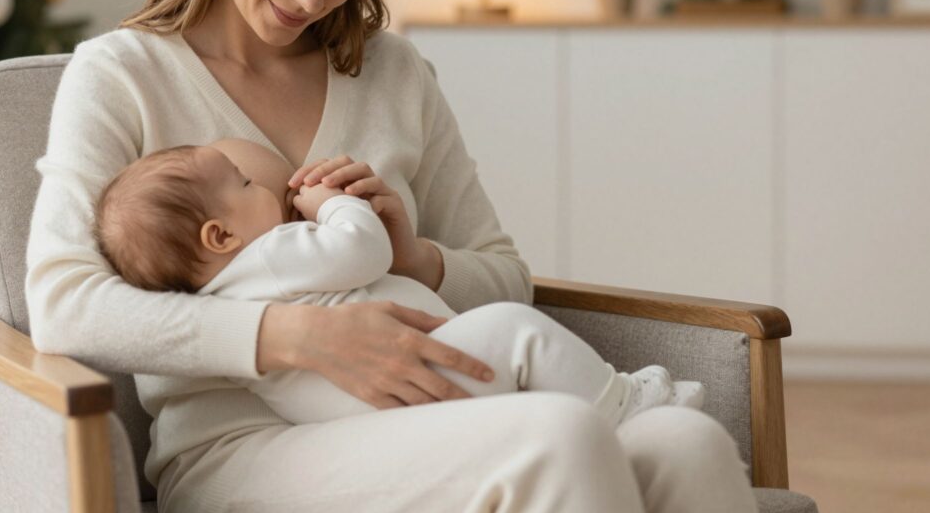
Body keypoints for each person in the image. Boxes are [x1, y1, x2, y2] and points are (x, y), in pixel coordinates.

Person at [25, 0, 759, 513]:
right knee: (557, 436)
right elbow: (65, 306)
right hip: (240, 447)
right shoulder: (123, 75)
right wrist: (292, 335)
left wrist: (413, 258)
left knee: (683, 441)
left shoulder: (394, 75)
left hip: (434, 409)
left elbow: (506, 277)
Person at [92, 137, 706, 427]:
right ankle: (628, 406)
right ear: (220, 237)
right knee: (515, 332)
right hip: (406, 378)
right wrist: (330, 204)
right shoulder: (274, 255)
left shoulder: (218, 298)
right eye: (246, 186)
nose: (270, 193)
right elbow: (360, 250)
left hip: (362, 417)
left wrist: (416, 255)